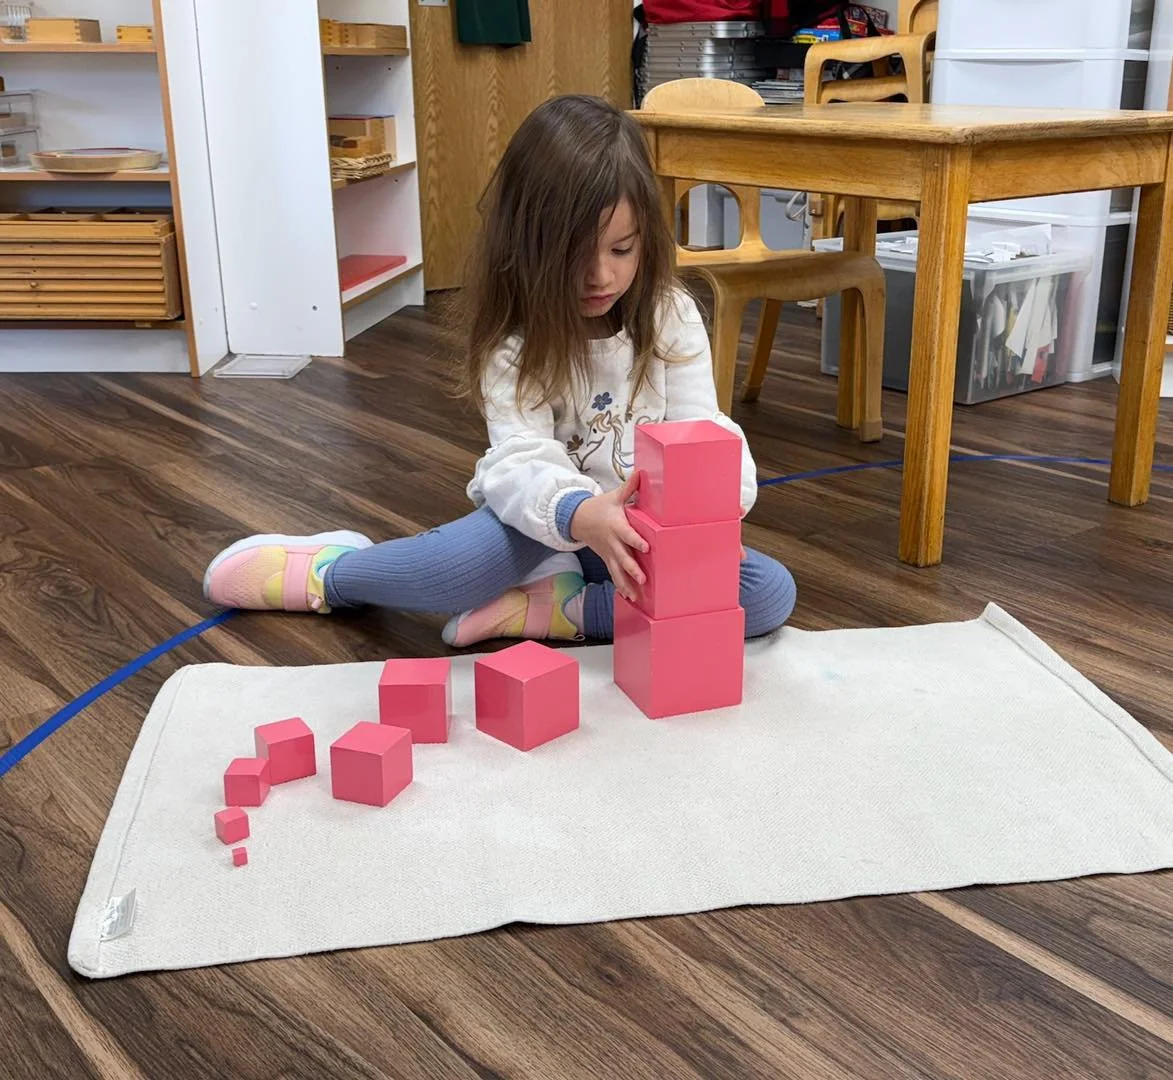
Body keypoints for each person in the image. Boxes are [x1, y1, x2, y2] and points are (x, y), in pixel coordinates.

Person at [203, 94, 796, 647]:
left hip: (639, 536)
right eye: (573, 253)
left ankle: (562, 609)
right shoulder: (515, 341)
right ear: (526, 240)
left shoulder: (671, 315)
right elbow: (520, 460)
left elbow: (703, 432)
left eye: (622, 249)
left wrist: (710, 515)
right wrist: (580, 514)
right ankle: (334, 573)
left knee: (767, 593)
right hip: (546, 518)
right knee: (459, 572)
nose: (601, 275)